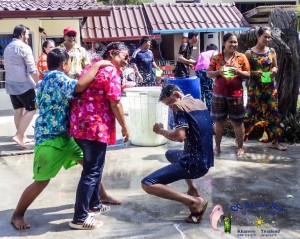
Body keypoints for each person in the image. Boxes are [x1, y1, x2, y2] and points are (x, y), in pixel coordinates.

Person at [10, 48, 111, 230]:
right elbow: (79, 86)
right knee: (41, 181)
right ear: (64, 64)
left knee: (91, 167)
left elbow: (38, 103)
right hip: (50, 140)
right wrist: (97, 65)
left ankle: (100, 196)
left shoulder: (43, 80)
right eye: (69, 63)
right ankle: (17, 214)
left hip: (65, 137)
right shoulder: (58, 78)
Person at [68, 42, 130, 230]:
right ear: (112, 54)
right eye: (125, 57)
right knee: (92, 171)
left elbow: (79, 88)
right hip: (94, 127)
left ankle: (93, 204)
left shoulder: (90, 67)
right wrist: (125, 128)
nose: (127, 61)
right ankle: (79, 217)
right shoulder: (110, 71)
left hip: (79, 126)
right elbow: (115, 103)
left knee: (95, 167)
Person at [141, 84, 214, 224]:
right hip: (206, 160)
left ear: (177, 95)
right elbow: (213, 130)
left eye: (169, 102)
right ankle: (192, 189)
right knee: (170, 154)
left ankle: (193, 202)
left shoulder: (179, 106)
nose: (170, 107)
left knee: (147, 183)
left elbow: (180, 136)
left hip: (194, 164)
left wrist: (161, 131)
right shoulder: (200, 103)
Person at [207, 32, 250, 157]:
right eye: (231, 41)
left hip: (236, 94)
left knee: (237, 122)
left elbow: (248, 74)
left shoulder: (241, 57)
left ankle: (240, 147)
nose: (233, 44)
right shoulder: (217, 58)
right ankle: (217, 147)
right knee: (219, 121)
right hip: (218, 94)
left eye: (235, 42)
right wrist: (219, 71)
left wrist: (238, 71)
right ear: (224, 43)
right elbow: (208, 73)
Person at [244, 27, 287, 151]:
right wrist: (253, 73)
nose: (267, 39)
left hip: (269, 88)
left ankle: (275, 142)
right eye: (265, 36)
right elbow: (244, 71)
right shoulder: (249, 53)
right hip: (255, 89)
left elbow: (275, 67)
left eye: (269, 37)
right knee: (250, 114)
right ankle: (240, 139)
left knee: (273, 114)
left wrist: (274, 70)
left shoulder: (272, 51)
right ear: (258, 36)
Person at [3, 24, 39, 149]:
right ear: (21, 34)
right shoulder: (24, 47)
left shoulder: (8, 47)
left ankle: (21, 136)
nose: (28, 37)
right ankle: (19, 136)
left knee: (18, 111)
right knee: (32, 109)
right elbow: (32, 69)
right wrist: (38, 83)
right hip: (24, 85)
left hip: (10, 85)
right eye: (27, 35)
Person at [195, 44, 218, 112]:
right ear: (215, 49)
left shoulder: (202, 53)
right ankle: (209, 111)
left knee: (201, 90)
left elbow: (197, 63)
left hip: (198, 71)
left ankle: (201, 110)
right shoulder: (215, 52)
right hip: (206, 70)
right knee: (209, 91)